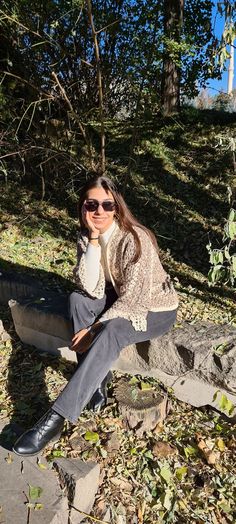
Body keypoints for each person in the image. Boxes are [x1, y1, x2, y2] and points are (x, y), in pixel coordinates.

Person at [13, 175, 179, 456]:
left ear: (117, 207)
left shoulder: (134, 238)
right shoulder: (86, 235)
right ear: (83, 207)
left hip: (154, 308)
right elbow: (88, 287)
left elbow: (134, 301)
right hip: (118, 295)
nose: (99, 211)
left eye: (107, 204)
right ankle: (96, 383)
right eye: (92, 204)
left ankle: (55, 419)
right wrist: (92, 240)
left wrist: (94, 328)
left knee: (112, 330)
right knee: (77, 301)